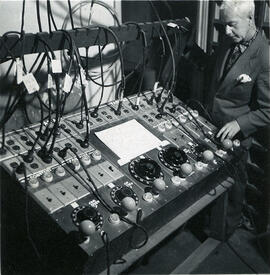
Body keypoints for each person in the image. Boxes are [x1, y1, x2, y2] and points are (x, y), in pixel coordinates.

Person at [184, 0, 270, 236]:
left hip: (236, 134)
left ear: (250, 19)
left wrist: (239, 123)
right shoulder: (229, 40)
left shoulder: (265, 57)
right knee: (209, 182)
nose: (226, 31)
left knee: (233, 187)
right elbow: (217, 74)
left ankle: (227, 230)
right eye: (224, 26)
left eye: (231, 25)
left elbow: (268, 110)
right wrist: (188, 48)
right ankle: (209, 222)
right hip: (212, 123)